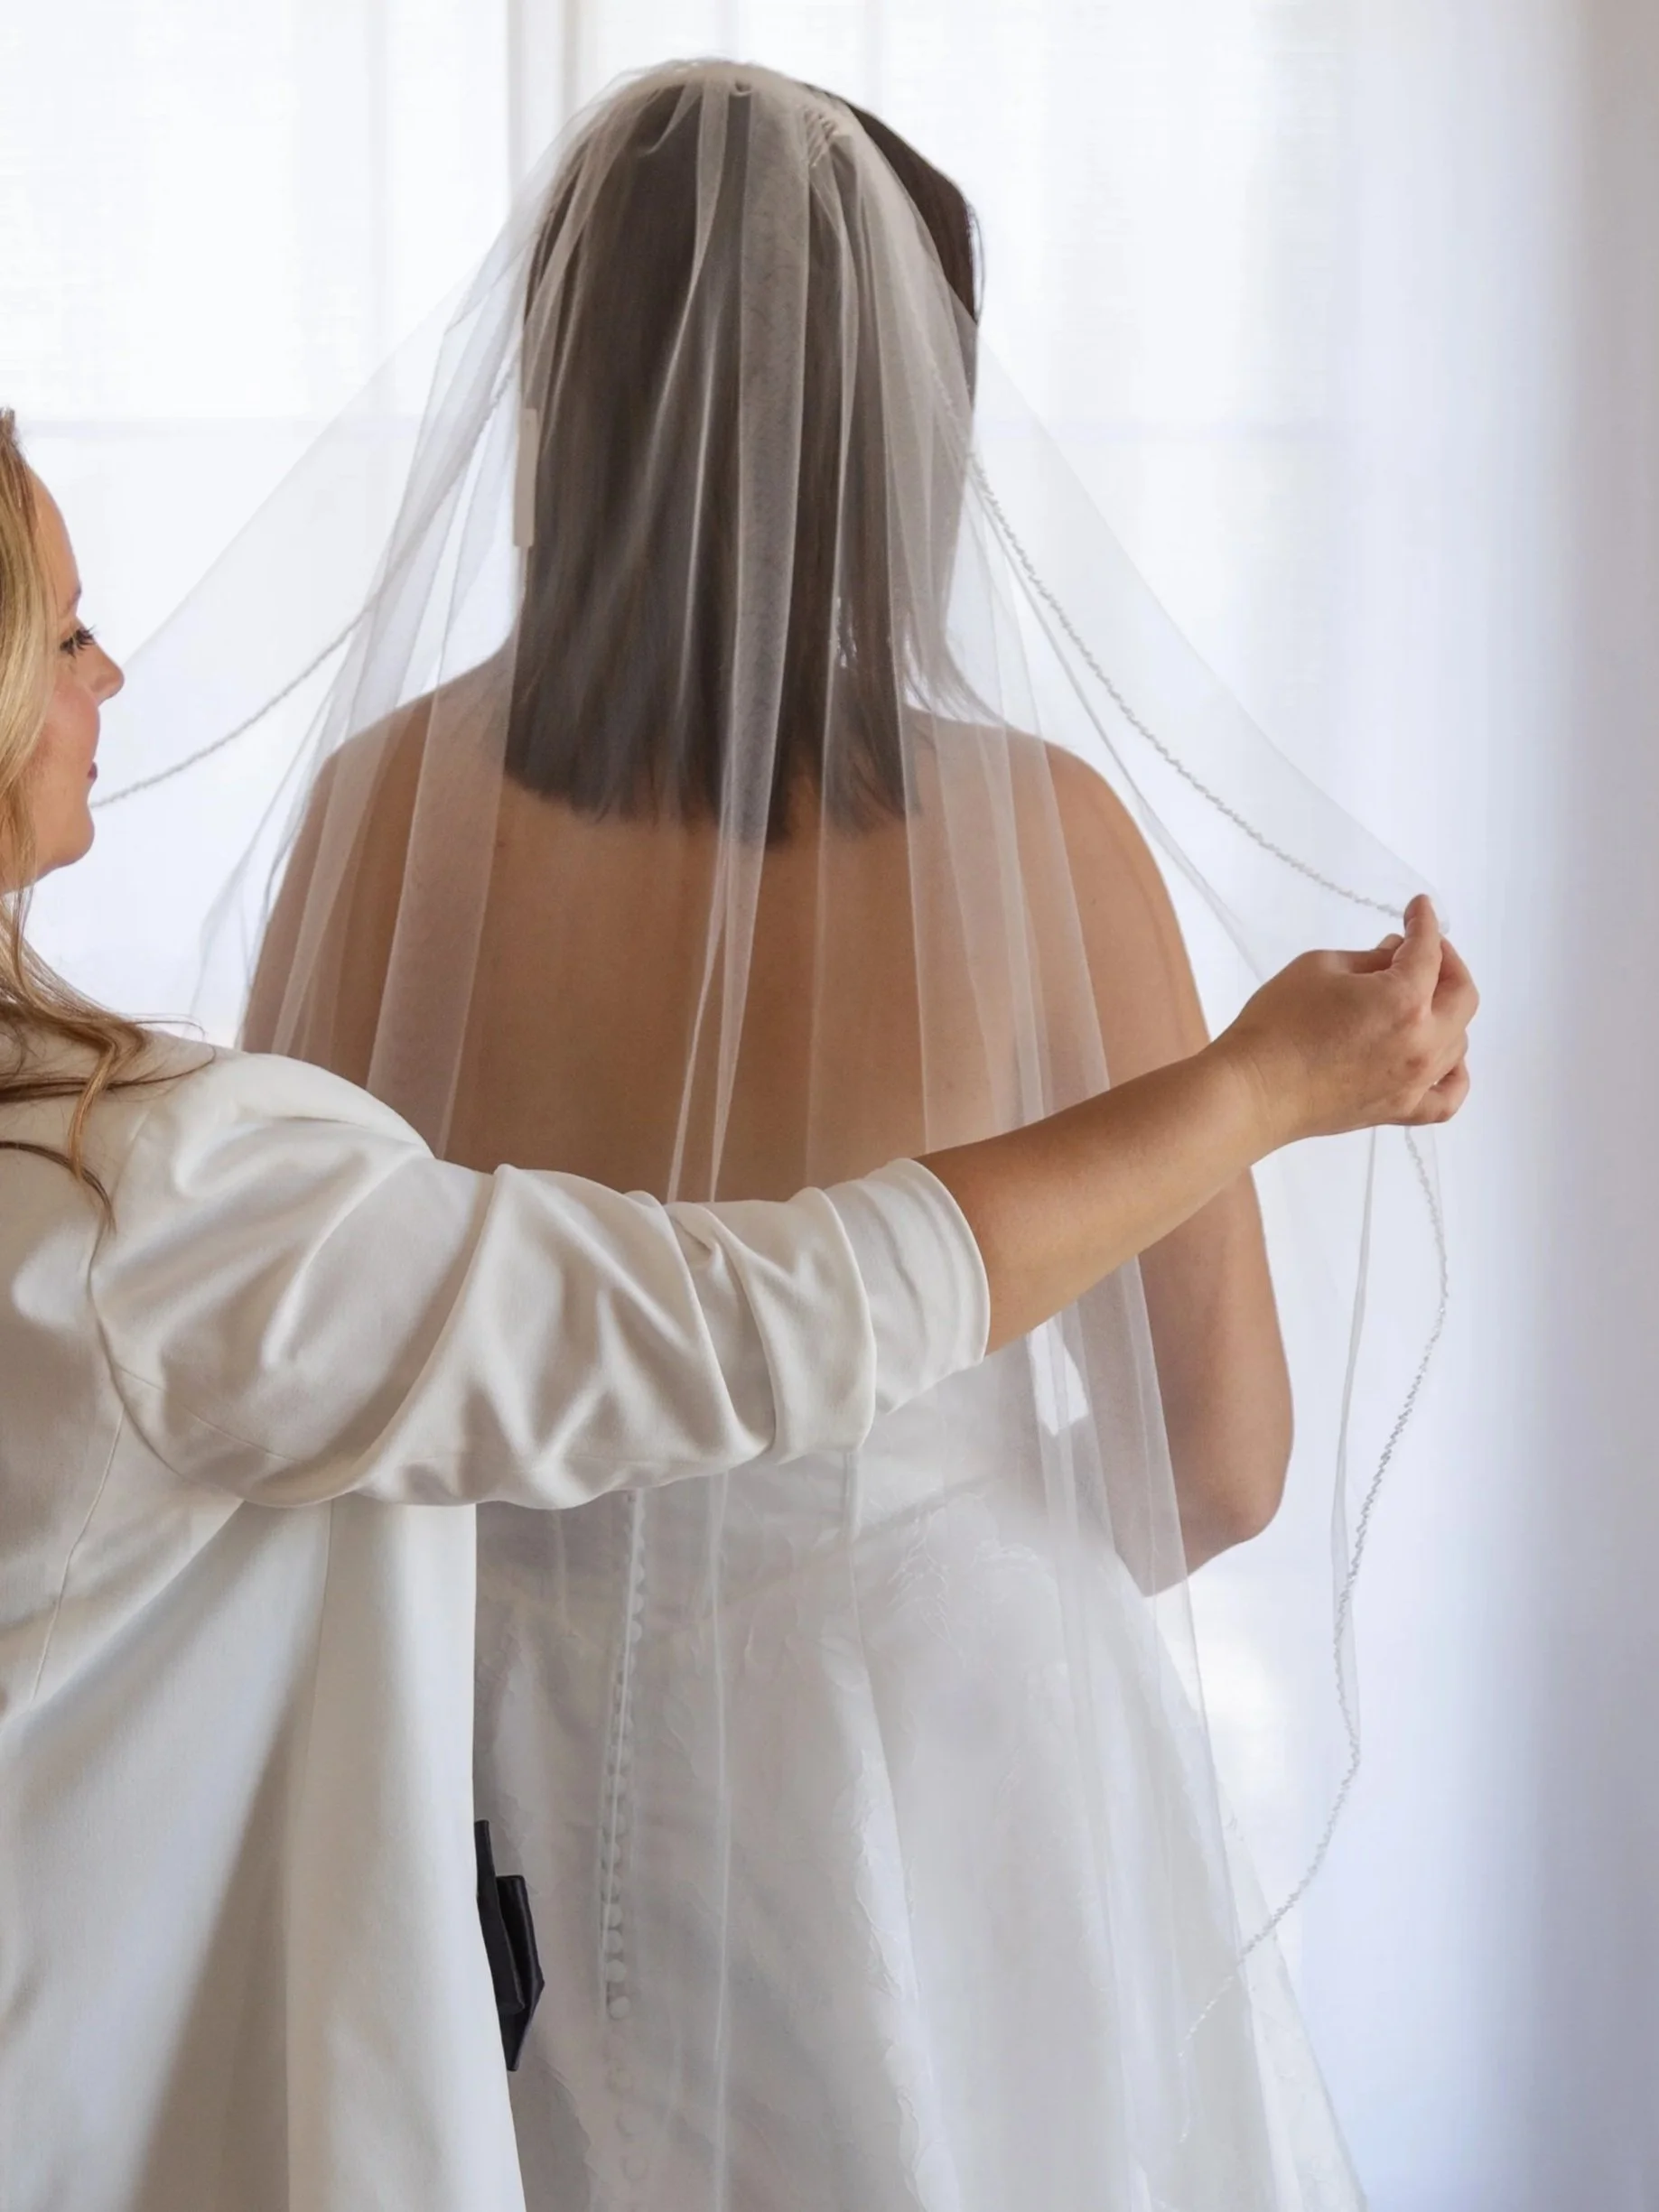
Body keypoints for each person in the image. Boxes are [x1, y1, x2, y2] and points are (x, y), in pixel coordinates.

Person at [221, 62, 1474, 2212]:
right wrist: (906, 1510)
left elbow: (299, 1368)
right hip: (926, 1765)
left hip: (480, 1754)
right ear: (909, 436)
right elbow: (1220, 1466)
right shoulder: (1043, 844)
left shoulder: (379, 818)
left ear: (567, 405)